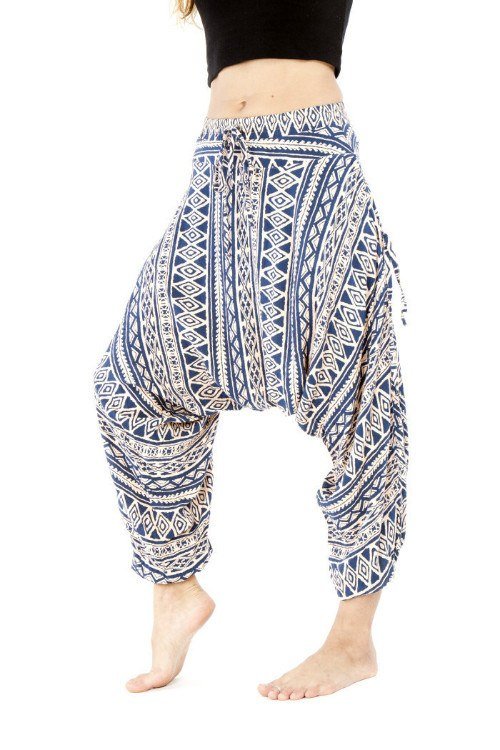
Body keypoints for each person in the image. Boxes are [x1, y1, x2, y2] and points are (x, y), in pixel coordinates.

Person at [93, 0, 409, 700]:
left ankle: (353, 640)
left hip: (313, 164)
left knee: (358, 389)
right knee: (130, 382)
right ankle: (175, 589)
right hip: (217, 168)